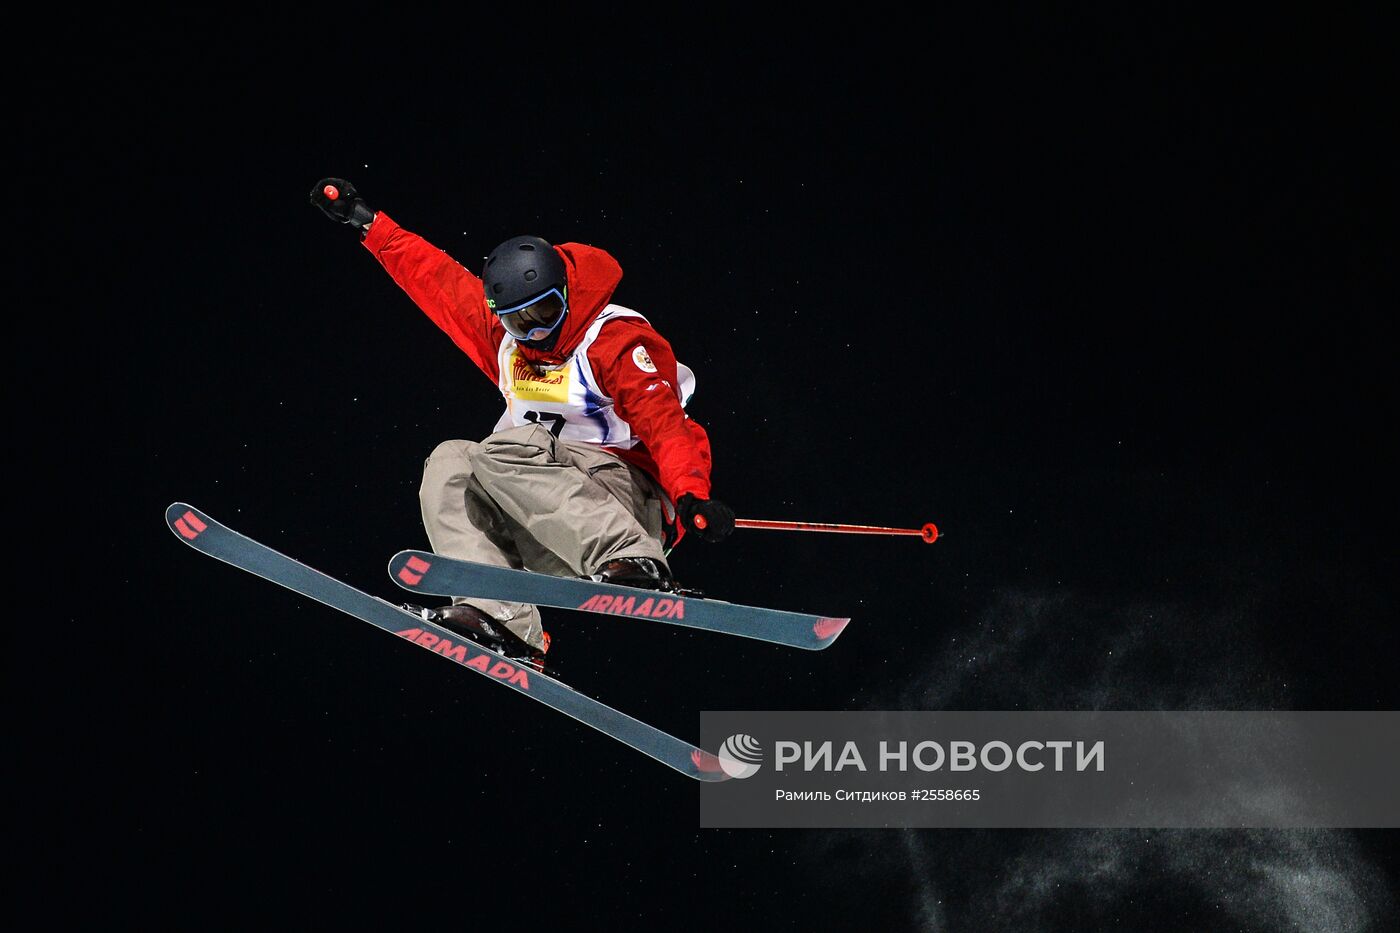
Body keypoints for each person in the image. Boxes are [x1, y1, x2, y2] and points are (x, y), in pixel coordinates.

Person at [310, 177, 734, 673]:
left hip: (623, 507)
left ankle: (633, 563)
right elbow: (440, 283)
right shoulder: (510, 346)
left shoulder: (612, 341)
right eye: (517, 320)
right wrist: (368, 224)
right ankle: (498, 614)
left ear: (568, 296)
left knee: (503, 449)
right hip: (552, 523)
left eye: (546, 311)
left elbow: (666, 424)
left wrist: (690, 494)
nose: (534, 330)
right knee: (450, 460)